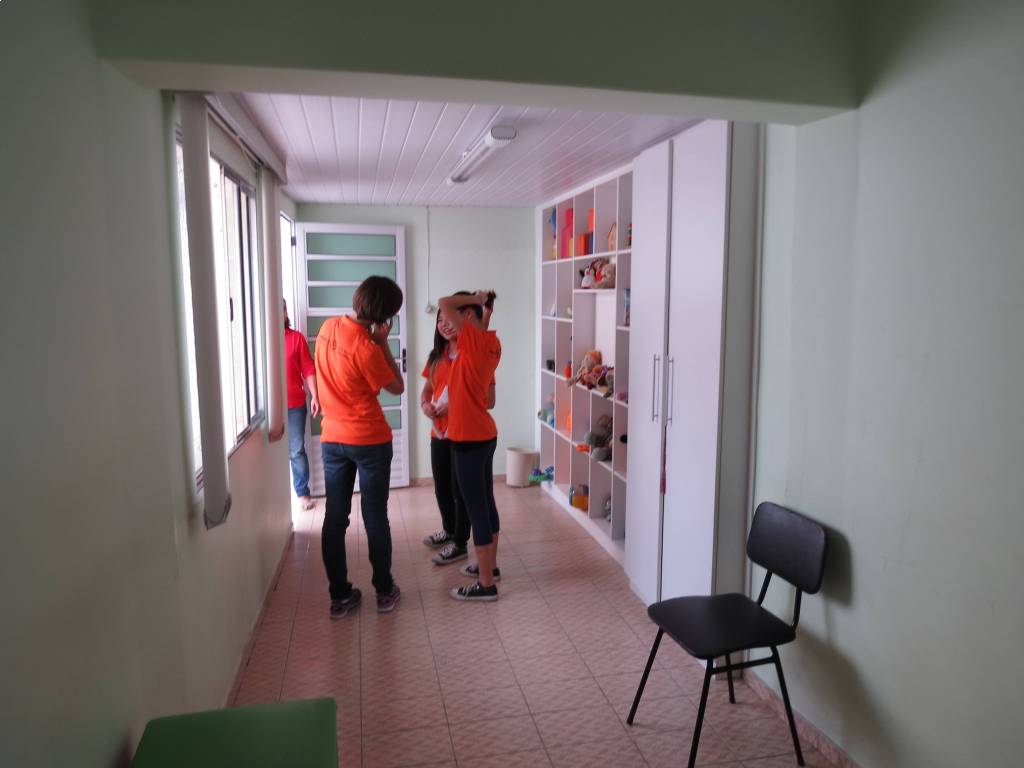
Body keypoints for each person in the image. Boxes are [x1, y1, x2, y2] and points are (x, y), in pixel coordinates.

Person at [314, 276, 405, 618]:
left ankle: (339, 597)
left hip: (332, 439)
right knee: (375, 516)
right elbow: (397, 386)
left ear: (358, 298)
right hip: (369, 440)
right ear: (386, 316)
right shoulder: (367, 348)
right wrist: (383, 344)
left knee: (335, 518)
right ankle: (384, 591)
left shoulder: (327, 328)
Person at [420, 304, 497, 566]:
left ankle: (460, 542)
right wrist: (425, 405)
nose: (444, 324)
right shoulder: (436, 357)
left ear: (464, 321)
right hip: (439, 433)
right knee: (442, 486)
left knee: (462, 491)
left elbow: (489, 401)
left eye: (449, 319)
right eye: (439, 320)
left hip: (465, 434)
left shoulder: (474, 355)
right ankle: (449, 530)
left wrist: (455, 405)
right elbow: (427, 390)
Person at [438, 289, 502, 601]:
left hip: (469, 438)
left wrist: (475, 299)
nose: (446, 321)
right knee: (486, 504)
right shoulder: (490, 342)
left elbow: (443, 302)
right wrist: (484, 310)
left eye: (453, 318)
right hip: (484, 434)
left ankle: (485, 584)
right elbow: (478, 325)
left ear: (466, 316)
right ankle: (490, 567)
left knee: (477, 509)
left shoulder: (473, 341)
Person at [284, 300, 320, 510]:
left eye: (282, 309)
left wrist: (315, 396)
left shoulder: (296, 338)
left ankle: (302, 493)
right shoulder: (261, 340)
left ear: (285, 313)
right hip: (268, 410)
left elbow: (308, 368)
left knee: (296, 450)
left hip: (295, 404)